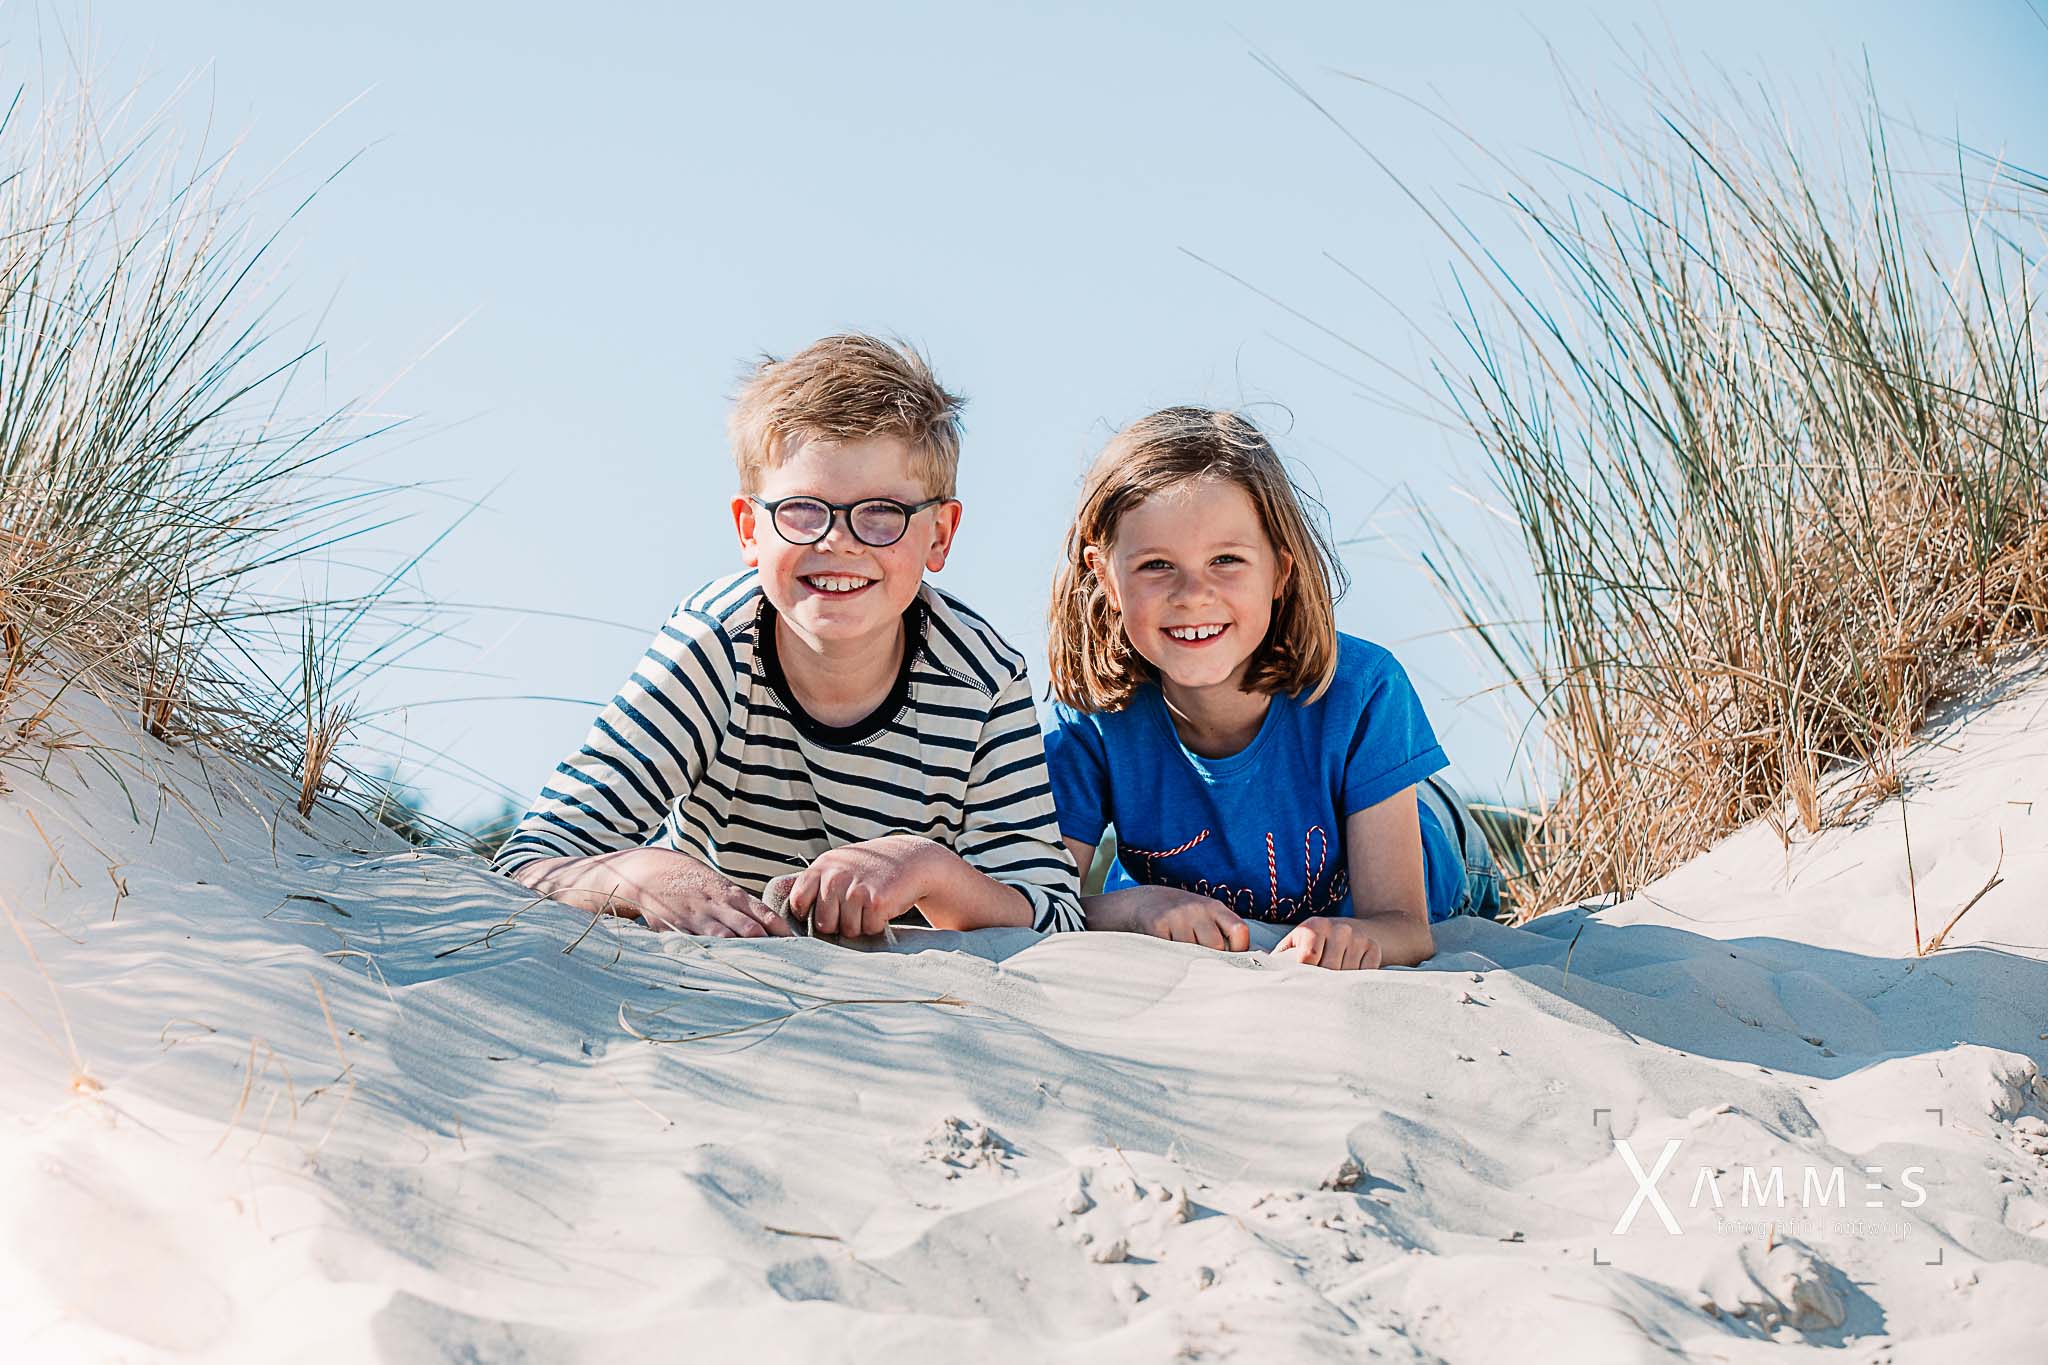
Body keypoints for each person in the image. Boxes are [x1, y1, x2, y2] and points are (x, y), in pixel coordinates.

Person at [494, 335, 1082, 938]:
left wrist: (925, 866)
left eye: (882, 512)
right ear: (750, 529)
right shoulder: (712, 647)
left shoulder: (982, 681)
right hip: (715, 969)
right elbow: (530, 860)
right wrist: (647, 873)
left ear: (939, 535)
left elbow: (1056, 915)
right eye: (803, 510)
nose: (839, 540)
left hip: (906, 994)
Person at [1043, 408, 1498, 971]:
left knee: (1418, 806)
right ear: (1105, 576)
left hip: (1437, 856)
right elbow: (1046, 906)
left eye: (1226, 560)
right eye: (1157, 565)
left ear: (1280, 572)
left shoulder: (1362, 688)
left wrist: (1359, 936)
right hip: (1229, 891)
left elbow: (1405, 928)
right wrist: (1138, 907)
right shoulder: (1092, 717)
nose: (1193, 593)